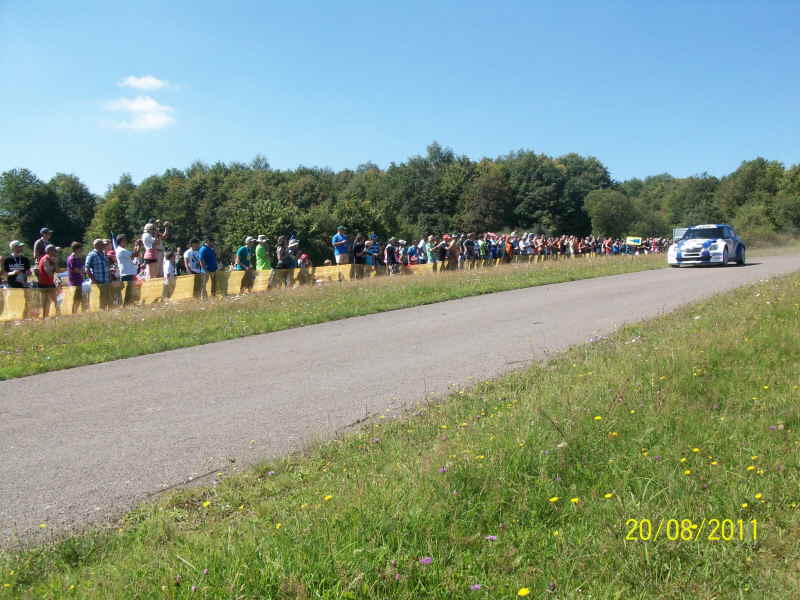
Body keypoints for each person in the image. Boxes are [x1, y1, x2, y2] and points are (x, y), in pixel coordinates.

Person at [85, 238, 112, 310]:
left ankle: (107, 313)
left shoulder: (103, 254)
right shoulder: (91, 255)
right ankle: (101, 312)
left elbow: (107, 267)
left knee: (107, 298)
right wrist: (93, 280)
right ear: (97, 245)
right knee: (100, 299)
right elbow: (87, 269)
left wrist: (109, 277)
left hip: (106, 281)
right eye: (102, 245)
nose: (104, 246)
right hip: (98, 281)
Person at [115, 234, 139, 306]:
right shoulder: (122, 250)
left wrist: (136, 246)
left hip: (127, 273)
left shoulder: (121, 250)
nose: (126, 242)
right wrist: (138, 246)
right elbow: (135, 254)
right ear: (121, 241)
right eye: (125, 240)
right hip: (127, 274)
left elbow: (132, 255)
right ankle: (126, 305)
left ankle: (128, 305)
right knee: (129, 292)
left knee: (130, 292)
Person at [37, 244, 59, 318]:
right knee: (46, 302)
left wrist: (55, 263)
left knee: (51, 301)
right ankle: (45, 317)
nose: (55, 252)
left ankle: (48, 316)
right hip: (44, 284)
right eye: (54, 250)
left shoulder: (51, 259)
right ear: (49, 251)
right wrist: (55, 278)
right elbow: (48, 272)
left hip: (49, 283)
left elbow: (57, 270)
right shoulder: (45, 259)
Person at [66, 241, 88, 313]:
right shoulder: (72, 258)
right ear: (77, 249)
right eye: (81, 248)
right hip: (74, 282)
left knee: (82, 298)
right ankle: (74, 313)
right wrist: (83, 272)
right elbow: (75, 270)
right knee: (76, 299)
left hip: (80, 281)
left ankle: (82, 312)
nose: (82, 250)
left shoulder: (78, 258)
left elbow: (81, 268)